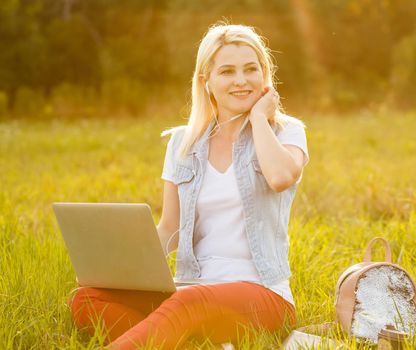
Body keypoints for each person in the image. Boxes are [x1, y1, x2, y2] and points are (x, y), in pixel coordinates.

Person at [68, 23, 309, 349]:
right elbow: (170, 227)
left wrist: (257, 119)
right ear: (206, 81)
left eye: (251, 69)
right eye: (227, 71)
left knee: (190, 303)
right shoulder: (183, 143)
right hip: (190, 288)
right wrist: (116, 270)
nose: (241, 80)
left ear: (264, 75)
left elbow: (281, 177)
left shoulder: (286, 131)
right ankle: (177, 338)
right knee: (86, 298)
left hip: (261, 293)